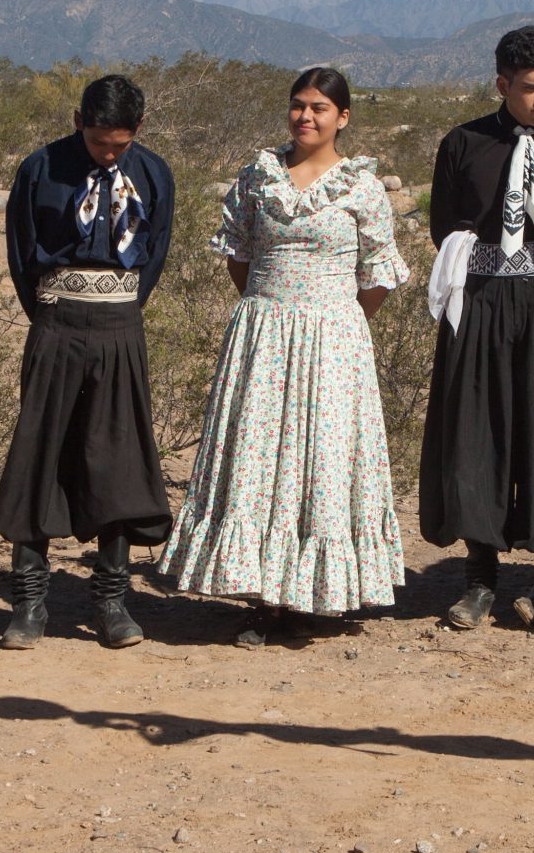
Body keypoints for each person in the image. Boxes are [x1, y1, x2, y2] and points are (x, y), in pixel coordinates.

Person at [161, 68, 410, 642]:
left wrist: (336, 321)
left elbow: (378, 274)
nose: (306, 117)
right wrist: (270, 310)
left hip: (334, 340)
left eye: (320, 108)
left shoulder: (362, 188)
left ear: (342, 118)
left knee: (320, 460)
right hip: (264, 336)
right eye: (298, 106)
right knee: (260, 457)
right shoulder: (258, 176)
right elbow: (238, 254)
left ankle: (310, 596)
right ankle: (264, 595)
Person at [422, 25, 534, 631]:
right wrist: (495, 281)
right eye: (531, 87)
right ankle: (479, 580)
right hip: (481, 303)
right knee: (482, 433)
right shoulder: (463, 144)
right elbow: (444, 225)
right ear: (502, 84)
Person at [0, 73, 176, 648]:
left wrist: (117, 309)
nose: (108, 152)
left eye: (119, 143)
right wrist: (55, 312)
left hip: (121, 327)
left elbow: (157, 252)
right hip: (56, 326)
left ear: (138, 131)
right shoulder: (39, 169)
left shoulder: (152, 174)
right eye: (98, 141)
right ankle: (28, 602)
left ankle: (111, 602)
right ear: (78, 122)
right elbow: (22, 255)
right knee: (40, 453)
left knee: (115, 458)